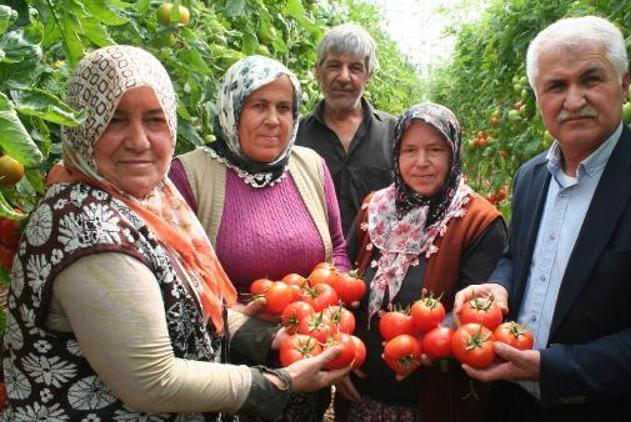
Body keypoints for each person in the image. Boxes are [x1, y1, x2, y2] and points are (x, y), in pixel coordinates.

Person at [0, 45, 347, 421]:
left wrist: (266, 337)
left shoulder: (152, 200)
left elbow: (183, 306)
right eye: (115, 120)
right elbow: (152, 379)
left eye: (154, 120)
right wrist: (279, 382)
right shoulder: (88, 226)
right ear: (83, 124)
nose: (139, 140)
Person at [455, 16, 631, 421]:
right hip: (512, 404)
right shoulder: (531, 177)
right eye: (556, 86)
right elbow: (515, 257)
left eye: (591, 79)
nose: (574, 100)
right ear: (537, 96)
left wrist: (553, 368)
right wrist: (497, 285)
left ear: (624, 82)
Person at [168, 55, 350, 421]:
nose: (273, 119)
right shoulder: (189, 174)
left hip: (306, 354)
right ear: (232, 109)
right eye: (259, 106)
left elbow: (338, 248)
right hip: (227, 372)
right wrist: (261, 335)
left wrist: (333, 305)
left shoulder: (311, 166)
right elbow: (177, 283)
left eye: (284, 108)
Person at [336, 102, 508, 422]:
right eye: (409, 150)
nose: (421, 162)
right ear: (396, 155)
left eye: (435, 150)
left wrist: (423, 346)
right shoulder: (375, 208)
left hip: (433, 404)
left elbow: (476, 315)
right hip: (363, 400)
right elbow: (345, 280)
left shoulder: (478, 221)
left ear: (453, 153)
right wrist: (338, 355)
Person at [296, 23, 397, 235]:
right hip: (310, 266)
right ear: (318, 72)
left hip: (376, 263)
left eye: (355, 68)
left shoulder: (395, 133)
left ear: (368, 76)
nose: (343, 77)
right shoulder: (295, 135)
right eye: (334, 65)